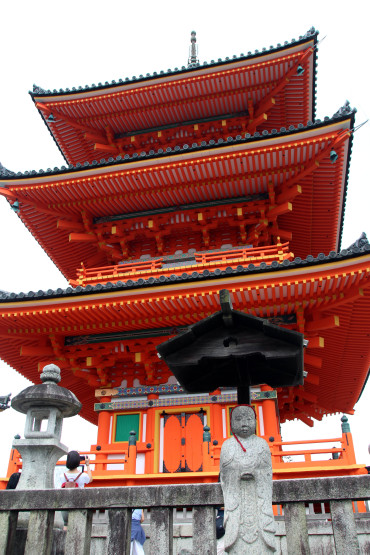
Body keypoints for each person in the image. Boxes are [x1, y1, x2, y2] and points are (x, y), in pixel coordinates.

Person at [220, 405, 276, 554]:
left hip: (258, 502)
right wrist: (237, 473)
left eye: (248, 419)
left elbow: (266, 471)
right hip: (237, 502)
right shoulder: (227, 445)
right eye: (238, 419)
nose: (244, 423)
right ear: (231, 423)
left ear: (255, 422)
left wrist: (256, 473)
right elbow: (225, 473)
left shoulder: (262, 444)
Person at [55, 450, 93, 528]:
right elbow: (90, 479)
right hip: (78, 503)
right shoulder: (83, 476)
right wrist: (87, 465)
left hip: (65, 504)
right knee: (77, 526)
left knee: (65, 525)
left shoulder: (62, 476)